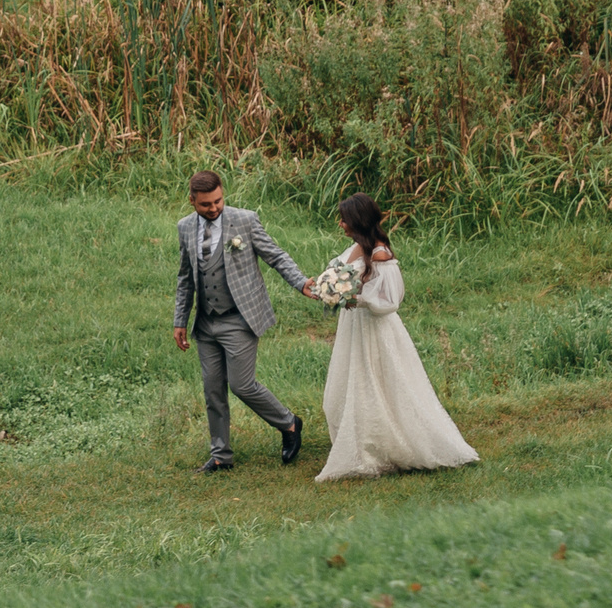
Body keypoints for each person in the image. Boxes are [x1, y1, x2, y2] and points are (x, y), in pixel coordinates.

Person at [312, 194, 478, 483]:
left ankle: (386, 448)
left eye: (345, 219)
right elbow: (339, 272)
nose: (341, 224)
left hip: (374, 330)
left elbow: (389, 300)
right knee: (351, 387)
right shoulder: (356, 247)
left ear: (357, 222)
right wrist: (329, 289)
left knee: (380, 384)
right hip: (354, 328)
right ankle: (366, 443)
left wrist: (354, 299)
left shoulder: (380, 255)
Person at [172, 169, 311, 474]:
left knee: (242, 385)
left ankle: (288, 423)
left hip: (240, 318)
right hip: (206, 322)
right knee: (212, 390)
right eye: (206, 204)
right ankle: (221, 455)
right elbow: (185, 278)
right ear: (192, 201)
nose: (214, 208)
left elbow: (276, 255)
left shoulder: (245, 220)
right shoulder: (184, 228)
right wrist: (180, 319)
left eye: (218, 201)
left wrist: (300, 282)